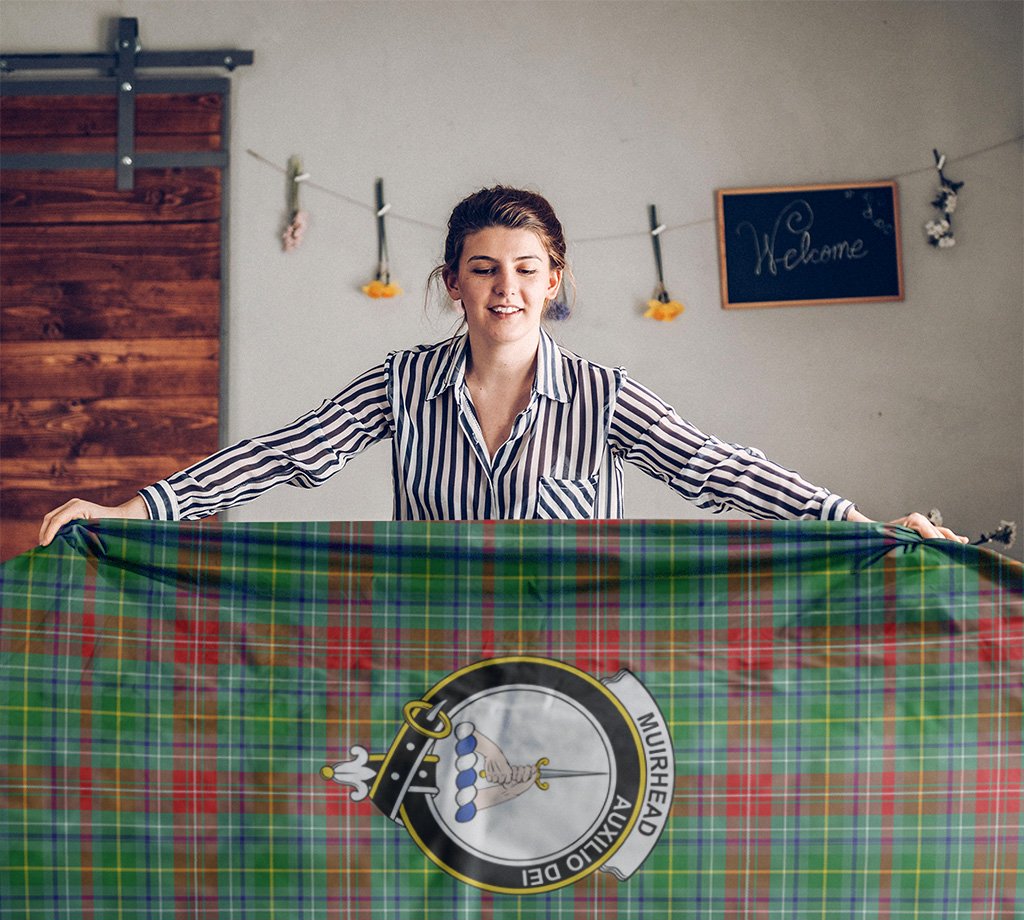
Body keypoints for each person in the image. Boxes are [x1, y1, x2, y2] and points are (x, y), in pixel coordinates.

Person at [38, 186, 967, 547]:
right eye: (484, 269)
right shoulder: (401, 382)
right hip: (433, 656)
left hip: (578, 659)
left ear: (555, 280)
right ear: (453, 283)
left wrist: (857, 523)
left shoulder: (603, 397)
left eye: (526, 271)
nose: (506, 289)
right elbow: (285, 455)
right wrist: (138, 510)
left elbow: (719, 467)